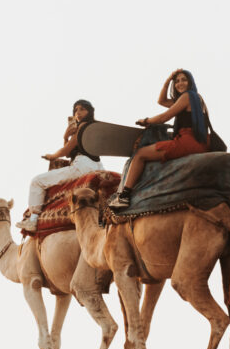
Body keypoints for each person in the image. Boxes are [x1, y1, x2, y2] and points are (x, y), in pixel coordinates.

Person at [108, 69, 211, 210]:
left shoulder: (186, 97)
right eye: (177, 81)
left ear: (190, 82)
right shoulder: (196, 98)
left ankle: (124, 197)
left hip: (188, 141)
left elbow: (164, 117)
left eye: (184, 80)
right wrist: (168, 81)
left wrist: (146, 120)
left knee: (140, 154)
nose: (180, 83)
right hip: (202, 142)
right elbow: (161, 101)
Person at [16, 99, 104, 232]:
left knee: (37, 181)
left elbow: (65, 151)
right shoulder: (93, 128)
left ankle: (33, 220)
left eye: (82, 109)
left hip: (82, 166)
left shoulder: (83, 126)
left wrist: (52, 156)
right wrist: (66, 137)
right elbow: (70, 154)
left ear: (90, 111)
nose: (78, 113)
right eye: (75, 110)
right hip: (97, 166)